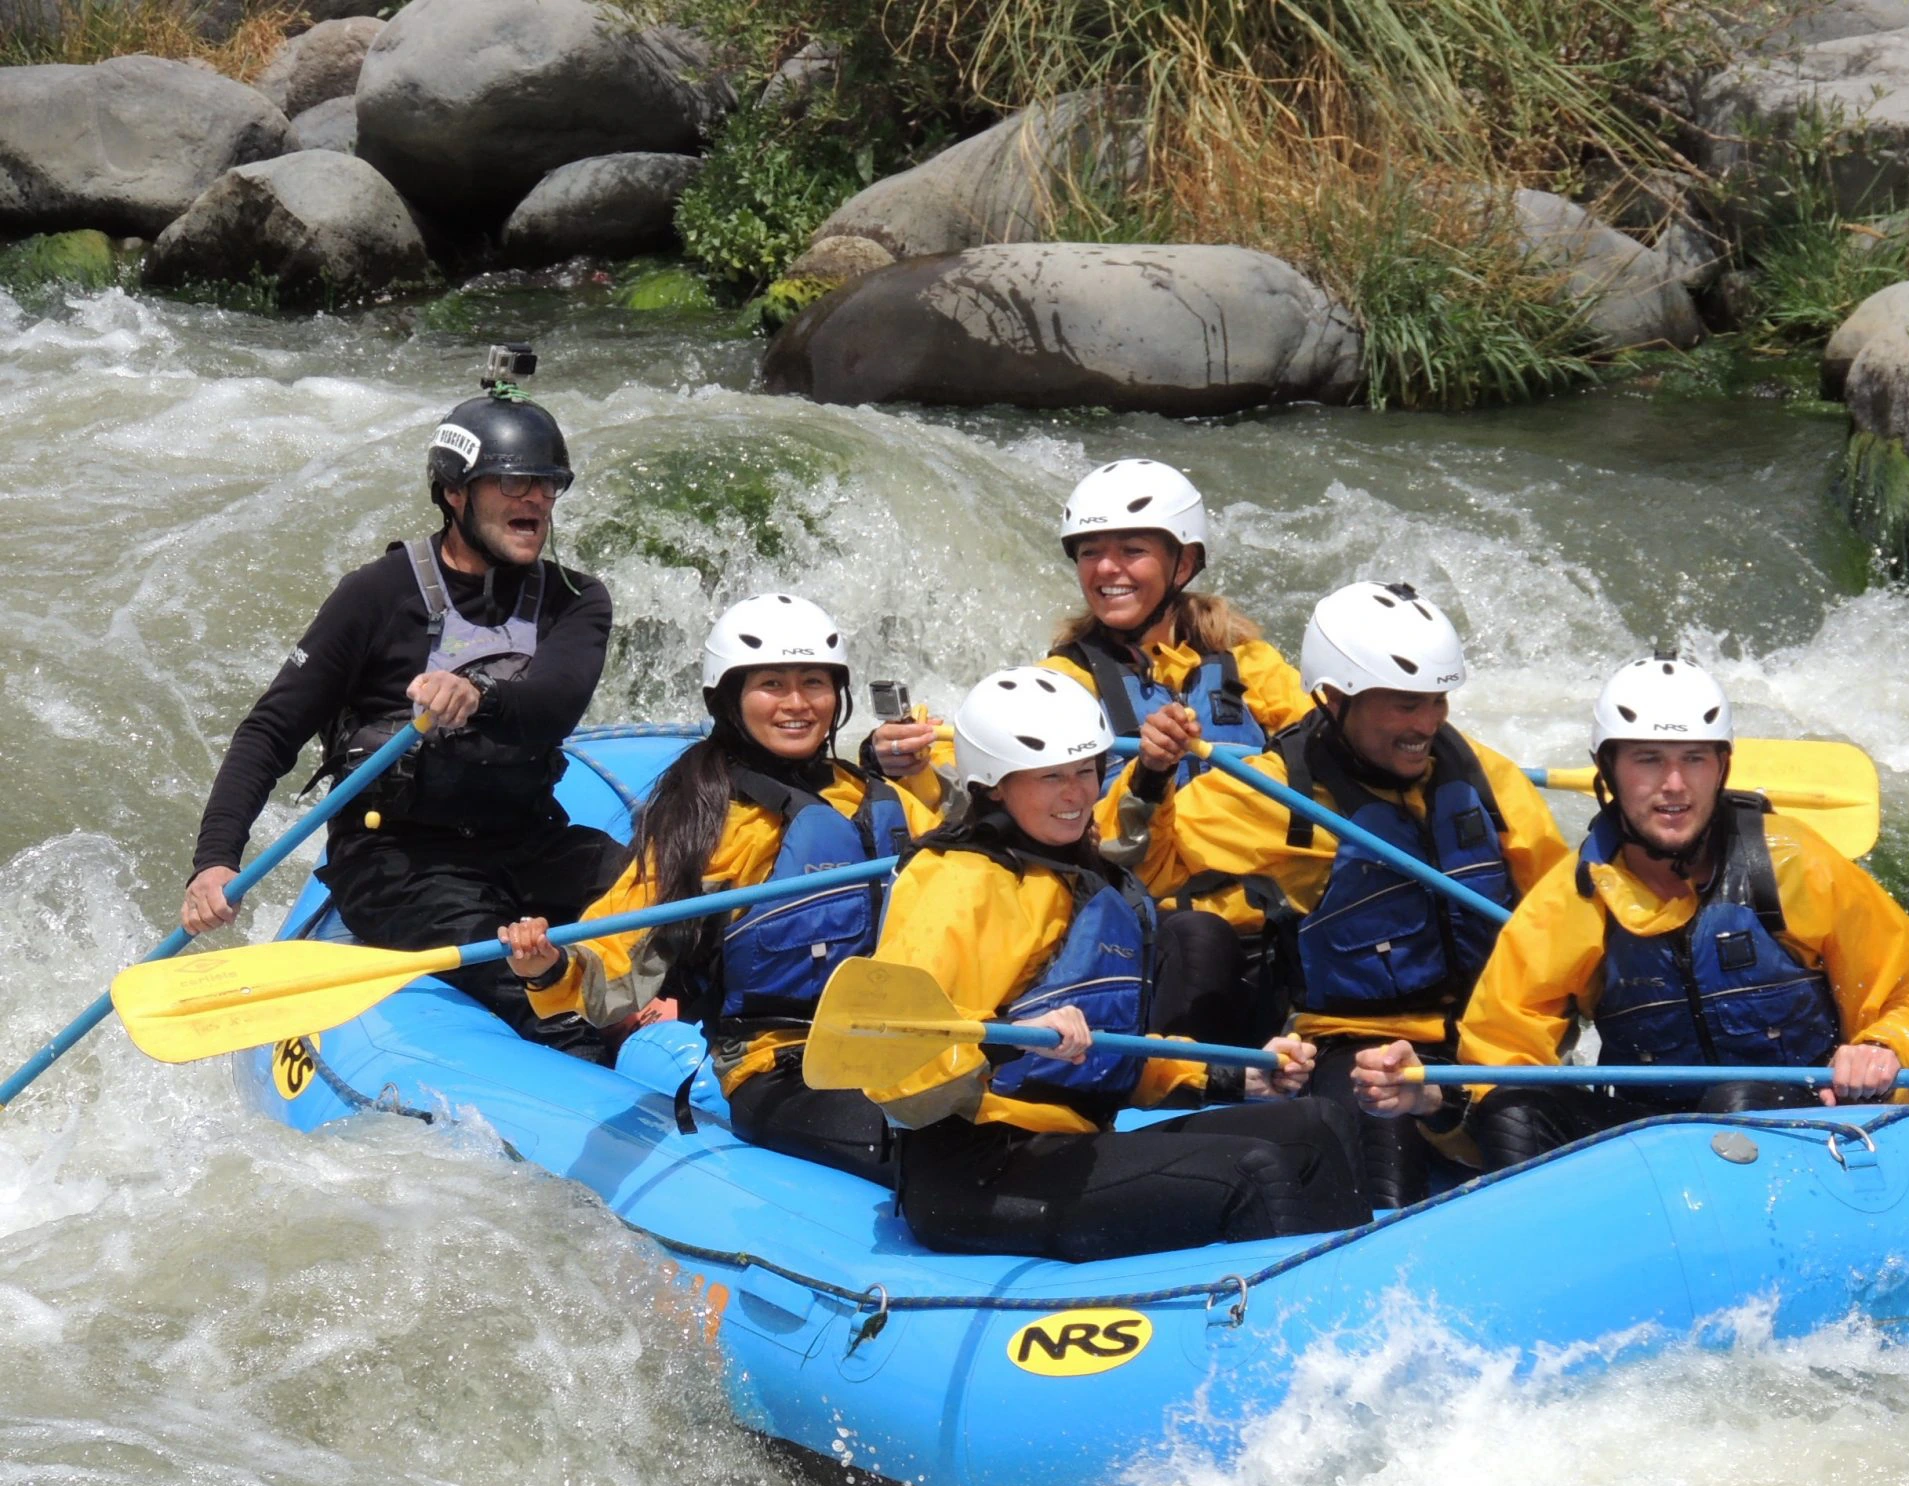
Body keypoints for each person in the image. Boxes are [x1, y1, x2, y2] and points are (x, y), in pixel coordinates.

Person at [183, 344, 625, 1055]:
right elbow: (270, 731)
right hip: (397, 861)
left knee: (663, 902)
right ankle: (592, 1047)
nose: (536, 501)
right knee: (537, 997)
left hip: (529, 839)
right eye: (513, 483)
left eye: (547, 484)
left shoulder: (577, 598)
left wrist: (474, 694)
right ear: (456, 493)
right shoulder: (375, 594)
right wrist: (215, 860)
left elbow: (553, 705)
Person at [1348, 657, 1909, 1166]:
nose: (1674, 785)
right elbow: (1501, 1054)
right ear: (1608, 771)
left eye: (1694, 759)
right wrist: (1437, 1097)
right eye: (1648, 760)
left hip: (1807, 1131)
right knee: (1514, 1111)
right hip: (1654, 1154)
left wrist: (1884, 1046)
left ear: (1722, 767)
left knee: (1736, 1099)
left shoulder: (1797, 864)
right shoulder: (1572, 899)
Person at [869, 667, 1368, 1262]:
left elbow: (1112, 1053)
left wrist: (1234, 1077)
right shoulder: (954, 883)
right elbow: (895, 1065)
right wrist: (1013, 1044)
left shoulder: (1085, 875)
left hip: (1070, 1141)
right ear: (994, 785)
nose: (1077, 795)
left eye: (1085, 771)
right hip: (975, 1168)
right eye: (1050, 777)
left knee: (1317, 1124)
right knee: (1256, 1170)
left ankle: (1370, 1331)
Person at [1134, 581, 1568, 1208]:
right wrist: (1150, 776)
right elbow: (1147, 866)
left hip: (1484, 1038)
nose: (1428, 723)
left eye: (1436, 701)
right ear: (1335, 698)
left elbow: (1561, 913)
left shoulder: (1484, 777)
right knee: (1378, 1132)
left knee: (1524, 1123)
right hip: (1351, 1042)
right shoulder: (1281, 792)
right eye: (1403, 705)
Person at [493, 594, 942, 1179]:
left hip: (896, 1045)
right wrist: (548, 967)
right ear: (728, 699)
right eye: (772, 685)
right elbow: (621, 943)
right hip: (782, 1067)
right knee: (937, 1149)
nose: (798, 704)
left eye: (814, 682)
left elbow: (969, 891)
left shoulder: (870, 797)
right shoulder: (705, 819)